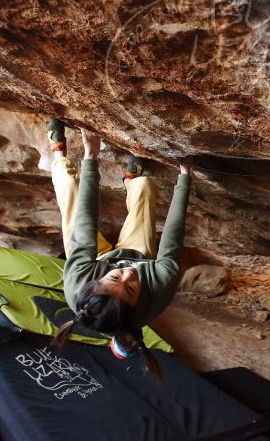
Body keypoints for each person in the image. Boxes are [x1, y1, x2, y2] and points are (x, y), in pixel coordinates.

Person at [45, 119, 192, 376]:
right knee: (145, 187)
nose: (128, 275)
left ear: (95, 282)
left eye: (116, 278)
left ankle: (57, 151)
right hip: (138, 257)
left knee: (70, 191)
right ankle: (131, 181)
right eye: (131, 288)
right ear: (138, 303)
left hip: (95, 260)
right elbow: (172, 237)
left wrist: (91, 156)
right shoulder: (159, 287)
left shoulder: (77, 282)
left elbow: (85, 221)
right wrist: (185, 177)